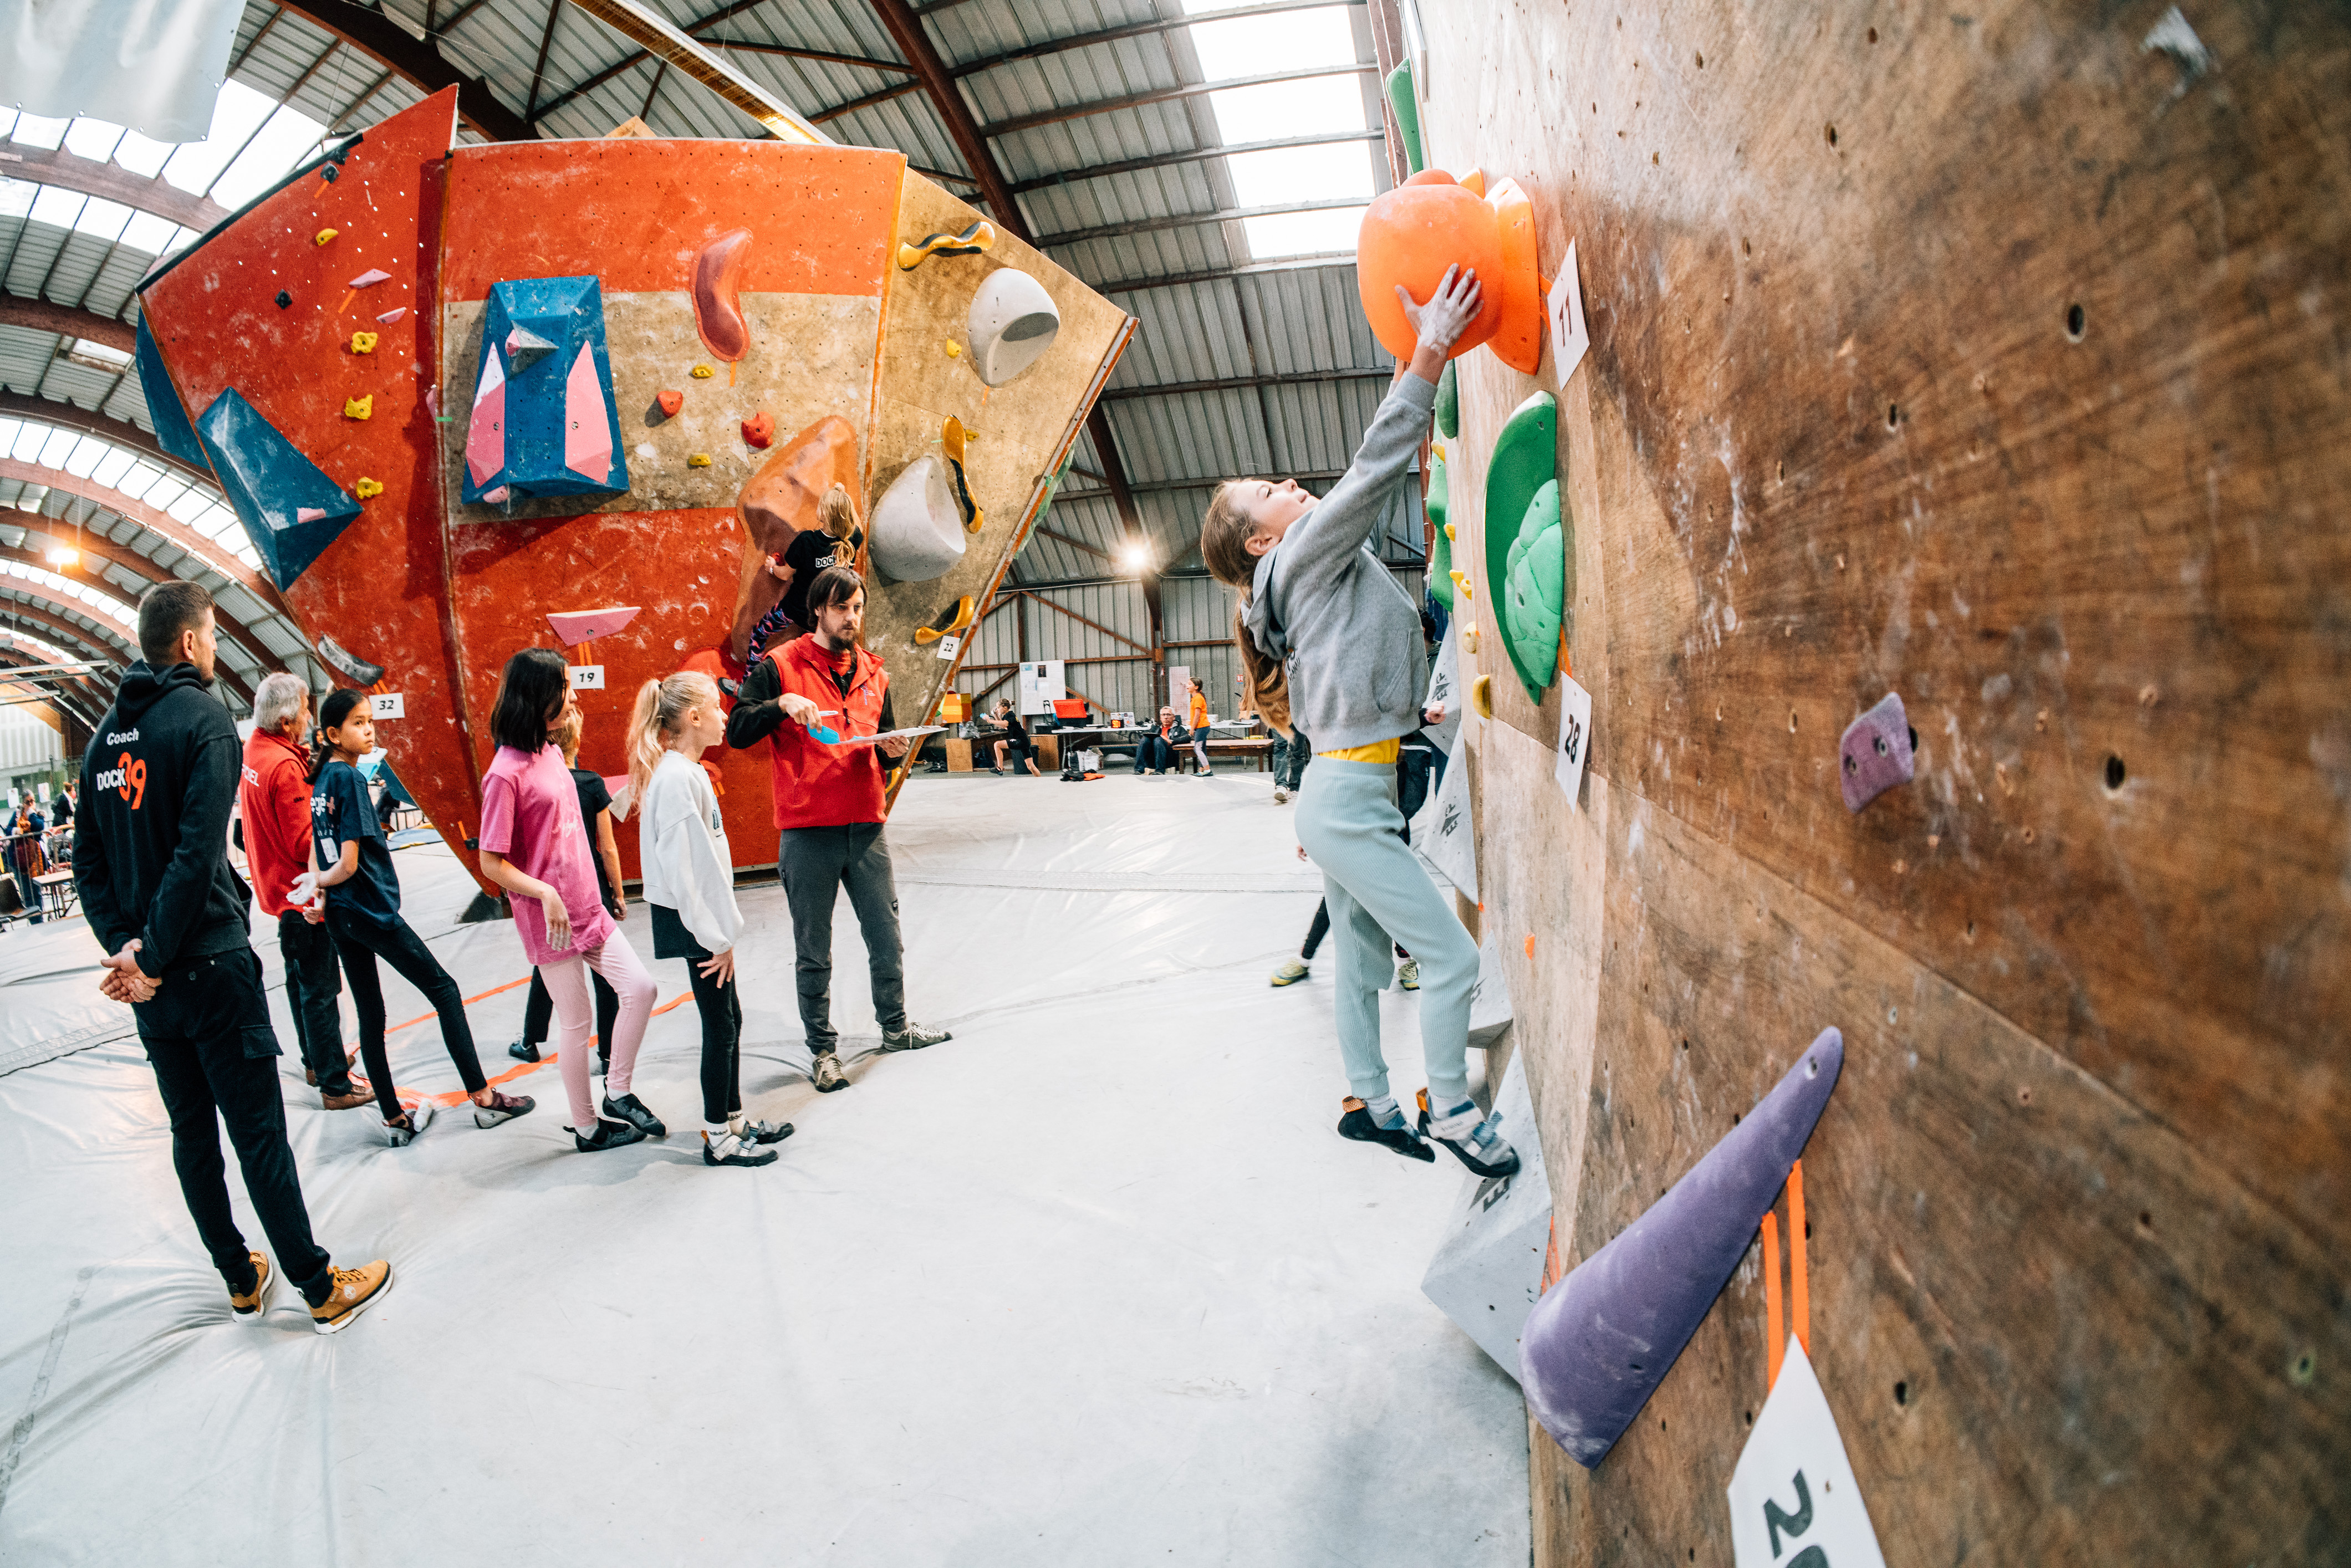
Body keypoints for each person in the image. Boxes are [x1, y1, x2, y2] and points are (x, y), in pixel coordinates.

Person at [1199, 262, 1518, 1180]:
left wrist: (1408, 704)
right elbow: (1377, 464)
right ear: (1262, 538)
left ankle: (1370, 1102)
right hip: (1345, 800)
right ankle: (1450, 1108)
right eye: (1269, 491)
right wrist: (1429, 351)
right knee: (1451, 960)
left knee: (1364, 966)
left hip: (1345, 787)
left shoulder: (1295, 572)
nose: (1288, 483)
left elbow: (1354, 656)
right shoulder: (1301, 555)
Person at [74, 581, 390, 1332]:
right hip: (209, 966)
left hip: (152, 990)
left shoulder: (103, 740)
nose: (217, 647)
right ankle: (318, 1286)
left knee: (192, 1135)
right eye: (214, 635)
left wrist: (127, 951)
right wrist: (152, 952)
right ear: (190, 642)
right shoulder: (203, 719)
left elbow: (89, 863)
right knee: (257, 1133)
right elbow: (194, 856)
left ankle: (241, 1277)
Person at [726, 564, 951, 1094]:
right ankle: (822, 1051)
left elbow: (885, 748)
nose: (852, 617)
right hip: (809, 831)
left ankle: (895, 1027)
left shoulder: (875, 671)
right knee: (814, 949)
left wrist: (893, 751)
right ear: (818, 610)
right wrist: (780, 704)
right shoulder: (781, 665)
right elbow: (737, 730)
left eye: (858, 608)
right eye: (842, 607)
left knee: (886, 936)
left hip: (867, 826)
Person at [308, 688, 535, 1146]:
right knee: (444, 990)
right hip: (368, 909)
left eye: (370, 721)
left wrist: (319, 889)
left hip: (342, 917)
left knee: (371, 1014)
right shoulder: (348, 778)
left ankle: (394, 1118)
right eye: (357, 723)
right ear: (332, 733)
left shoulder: (322, 780)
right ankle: (484, 1099)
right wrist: (324, 882)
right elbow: (347, 864)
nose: (369, 730)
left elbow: (319, 849)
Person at [474, 649, 660, 1152]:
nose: (574, 697)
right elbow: (491, 862)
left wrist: (601, 891)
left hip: (587, 906)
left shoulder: (551, 752)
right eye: (565, 687)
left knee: (640, 989)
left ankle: (617, 1090)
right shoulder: (504, 774)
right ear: (538, 697)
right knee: (577, 1024)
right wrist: (544, 891)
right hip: (550, 919)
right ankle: (587, 1127)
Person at [631, 669, 793, 1167]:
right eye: (716, 709)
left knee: (730, 1019)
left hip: (703, 921)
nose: (726, 717)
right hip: (695, 922)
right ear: (694, 717)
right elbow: (686, 873)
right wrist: (715, 937)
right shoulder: (677, 779)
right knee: (720, 1027)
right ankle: (719, 1137)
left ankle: (734, 1118)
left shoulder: (687, 772)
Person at [238, 672, 369, 1110]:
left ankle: (317, 1059)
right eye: (305, 711)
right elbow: (302, 842)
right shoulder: (285, 767)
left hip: (279, 892)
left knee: (299, 983)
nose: (309, 718)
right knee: (320, 988)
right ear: (286, 721)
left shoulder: (255, 751)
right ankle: (335, 1083)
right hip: (302, 894)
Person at [507, 704, 623, 1071]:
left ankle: (530, 1039)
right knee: (604, 977)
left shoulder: (540, 782)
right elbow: (607, 848)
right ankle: (608, 1052)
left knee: (550, 966)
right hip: (590, 888)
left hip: (555, 889)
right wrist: (618, 893)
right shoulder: (591, 783)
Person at [746, 482, 865, 669]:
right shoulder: (852, 539)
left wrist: (772, 567)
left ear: (823, 514)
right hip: (826, 617)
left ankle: (749, 680)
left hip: (796, 609)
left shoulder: (806, 541)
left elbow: (784, 575)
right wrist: (843, 495)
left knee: (759, 633)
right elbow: (857, 525)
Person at [8, 790, 47, 923]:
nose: (30, 804)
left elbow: (39, 827)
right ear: (23, 803)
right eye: (27, 802)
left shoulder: (37, 815)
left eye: (32, 801)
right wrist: (15, 831)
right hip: (19, 860)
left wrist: (32, 814)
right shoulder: (17, 814)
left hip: (34, 860)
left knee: (37, 893)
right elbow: (8, 829)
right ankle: (34, 921)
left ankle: (39, 920)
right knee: (26, 894)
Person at [979, 698, 1041, 777]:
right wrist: (996, 716)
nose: (997, 709)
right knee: (1031, 767)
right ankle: (1039, 780)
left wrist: (990, 721)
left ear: (1005, 708)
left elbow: (1005, 724)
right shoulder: (1007, 716)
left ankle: (1000, 768)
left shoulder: (1010, 715)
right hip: (1024, 741)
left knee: (997, 745)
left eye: (998, 708)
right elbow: (1005, 727)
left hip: (1020, 741)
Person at [1131, 706, 1187, 775]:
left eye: (1168, 715)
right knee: (1144, 740)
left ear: (1174, 717)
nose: (1166, 717)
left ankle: (1160, 771)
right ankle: (1139, 770)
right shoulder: (1155, 729)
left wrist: (1171, 741)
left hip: (1170, 757)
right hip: (1154, 758)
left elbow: (1187, 738)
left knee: (1158, 740)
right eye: (1164, 715)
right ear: (1161, 718)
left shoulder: (1179, 729)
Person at [1185, 677, 1213, 777]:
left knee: (1197, 749)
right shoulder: (1196, 698)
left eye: (1189, 684)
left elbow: (1197, 715)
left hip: (1201, 727)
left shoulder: (1198, 698)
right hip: (1202, 727)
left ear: (1196, 687)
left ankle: (1208, 770)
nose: (1187, 685)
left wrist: (1192, 728)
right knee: (1202, 749)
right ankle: (1202, 771)